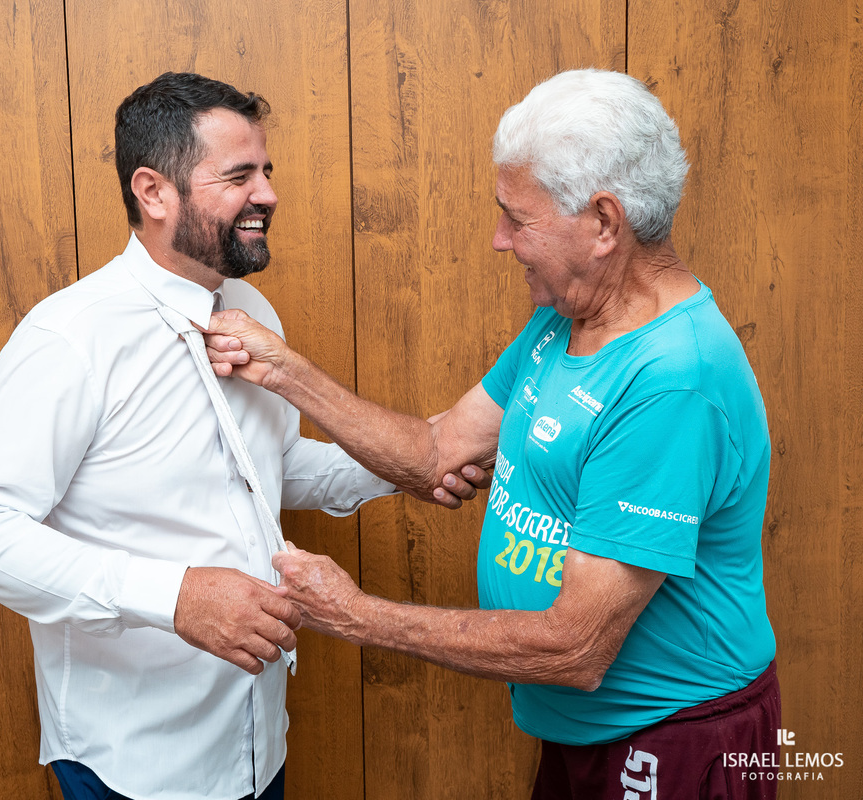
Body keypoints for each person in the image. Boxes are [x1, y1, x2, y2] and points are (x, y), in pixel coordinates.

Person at [203, 68, 779, 800]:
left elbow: (576, 646)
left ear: (604, 223)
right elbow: (439, 451)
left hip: (670, 736)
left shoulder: (673, 381)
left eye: (518, 217)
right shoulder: (567, 317)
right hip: (586, 731)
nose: (499, 240)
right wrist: (285, 371)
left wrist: (354, 616)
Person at [0, 72, 429, 800]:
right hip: (133, 762)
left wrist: (413, 460)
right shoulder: (70, 336)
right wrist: (176, 596)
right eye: (239, 175)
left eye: (266, 171)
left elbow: (268, 469)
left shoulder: (252, 309)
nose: (268, 193)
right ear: (153, 191)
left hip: (258, 743)